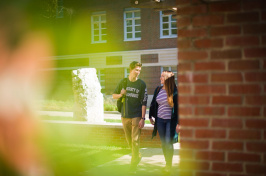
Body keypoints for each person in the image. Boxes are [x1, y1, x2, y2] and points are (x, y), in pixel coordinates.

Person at [112, 61, 147, 173]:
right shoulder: (123, 82)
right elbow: (114, 96)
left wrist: (143, 118)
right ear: (131, 69)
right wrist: (121, 94)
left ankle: (133, 165)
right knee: (129, 141)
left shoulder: (141, 84)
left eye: (139, 71)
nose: (138, 72)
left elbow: (144, 102)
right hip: (125, 115)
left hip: (136, 115)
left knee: (135, 141)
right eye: (136, 70)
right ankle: (138, 155)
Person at [149, 71, 180, 174]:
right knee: (163, 143)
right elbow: (153, 103)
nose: (160, 78)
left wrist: (179, 123)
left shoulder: (174, 91)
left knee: (168, 142)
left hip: (170, 122)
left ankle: (169, 165)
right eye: (160, 76)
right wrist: (150, 116)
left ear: (167, 78)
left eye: (162, 76)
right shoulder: (158, 89)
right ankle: (167, 163)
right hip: (160, 121)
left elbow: (179, 108)